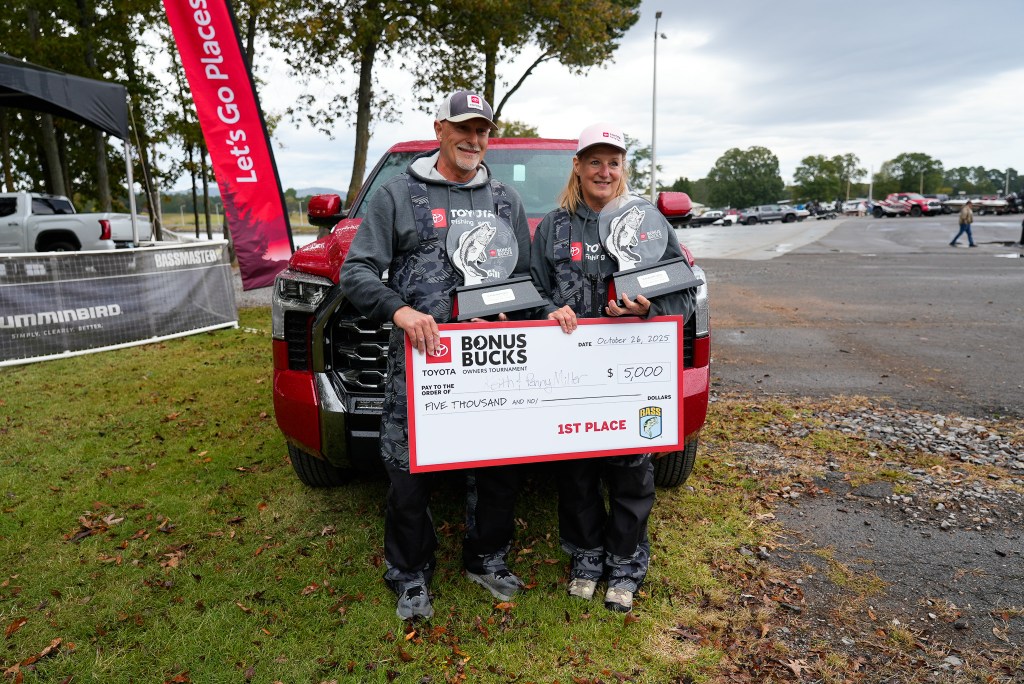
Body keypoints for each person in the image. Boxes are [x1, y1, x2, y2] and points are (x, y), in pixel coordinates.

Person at [339, 91, 532, 620]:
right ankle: (409, 573)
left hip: (491, 361)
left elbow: (524, 278)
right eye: (463, 128)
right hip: (422, 364)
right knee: (409, 470)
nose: (473, 139)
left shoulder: (506, 200)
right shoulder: (398, 195)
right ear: (440, 129)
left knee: (497, 463)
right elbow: (356, 270)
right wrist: (399, 311)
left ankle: (487, 559)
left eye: (482, 130)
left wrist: (509, 312)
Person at [529, 122, 697, 613]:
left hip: (630, 370)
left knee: (631, 470)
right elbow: (531, 288)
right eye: (594, 161)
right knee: (575, 467)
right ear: (578, 167)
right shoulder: (554, 227)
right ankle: (586, 556)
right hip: (570, 370)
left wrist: (649, 310)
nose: (604, 171)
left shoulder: (646, 223)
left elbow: (684, 293)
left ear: (623, 169)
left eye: (613, 162)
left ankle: (625, 562)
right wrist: (548, 311)